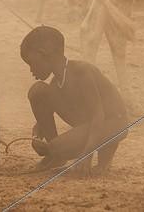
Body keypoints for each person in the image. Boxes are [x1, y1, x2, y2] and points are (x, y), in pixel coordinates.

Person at [20, 25, 128, 176]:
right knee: (37, 91)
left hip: (113, 122)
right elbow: (42, 117)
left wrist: (86, 156)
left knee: (57, 148)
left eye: (32, 63)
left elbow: (98, 116)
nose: (31, 70)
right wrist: (37, 134)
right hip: (90, 124)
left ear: (43, 54)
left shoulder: (82, 72)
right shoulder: (56, 83)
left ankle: (95, 160)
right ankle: (56, 155)